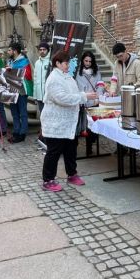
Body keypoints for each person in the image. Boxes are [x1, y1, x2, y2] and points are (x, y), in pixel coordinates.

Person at [39, 50, 97, 192]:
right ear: (57, 63)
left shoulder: (67, 76)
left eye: (68, 63)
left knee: (70, 150)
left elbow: (73, 94)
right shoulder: (54, 78)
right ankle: (48, 180)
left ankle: (72, 174)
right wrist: (84, 96)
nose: (68, 66)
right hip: (56, 123)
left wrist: (84, 96)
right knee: (54, 152)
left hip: (69, 122)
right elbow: (62, 98)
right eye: (66, 63)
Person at [75, 50, 105, 156]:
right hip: (82, 102)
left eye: (89, 61)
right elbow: (76, 87)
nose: (87, 63)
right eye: (86, 61)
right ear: (82, 60)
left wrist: (98, 96)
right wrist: (81, 97)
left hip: (94, 102)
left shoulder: (96, 72)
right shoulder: (78, 73)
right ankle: (78, 147)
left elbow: (100, 84)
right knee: (82, 126)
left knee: (92, 127)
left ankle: (90, 146)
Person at [7, 42, 33, 143]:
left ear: (15, 51)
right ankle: (16, 131)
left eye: (9, 50)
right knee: (14, 112)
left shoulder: (24, 61)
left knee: (22, 113)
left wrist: (14, 71)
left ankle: (23, 133)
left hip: (21, 91)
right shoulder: (11, 61)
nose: (8, 52)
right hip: (12, 90)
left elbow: (27, 76)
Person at [32, 42, 51, 150]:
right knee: (42, 117)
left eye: (44, 49)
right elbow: (36, 80)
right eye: (40, 49)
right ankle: (43, 136)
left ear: (47, 50)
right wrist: (35, 94)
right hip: (39, 95)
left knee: (48, 117)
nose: (42, 51)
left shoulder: (50, 62)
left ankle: (48, 138)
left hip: (47, 95)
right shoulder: (37, 62)